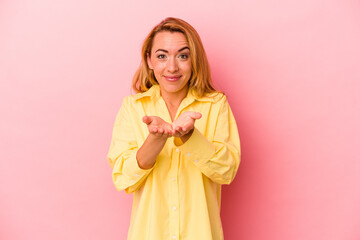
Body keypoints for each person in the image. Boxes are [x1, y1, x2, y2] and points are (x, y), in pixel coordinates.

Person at [107, 17, 241, 240]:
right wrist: (155, 140)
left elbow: (226, 172)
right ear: (149, 60)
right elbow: (123, 178)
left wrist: (190, 137)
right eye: (161, 56)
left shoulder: (216, 105)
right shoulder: (132, 108)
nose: (172, 67)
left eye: (183, 56)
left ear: (194, 60)